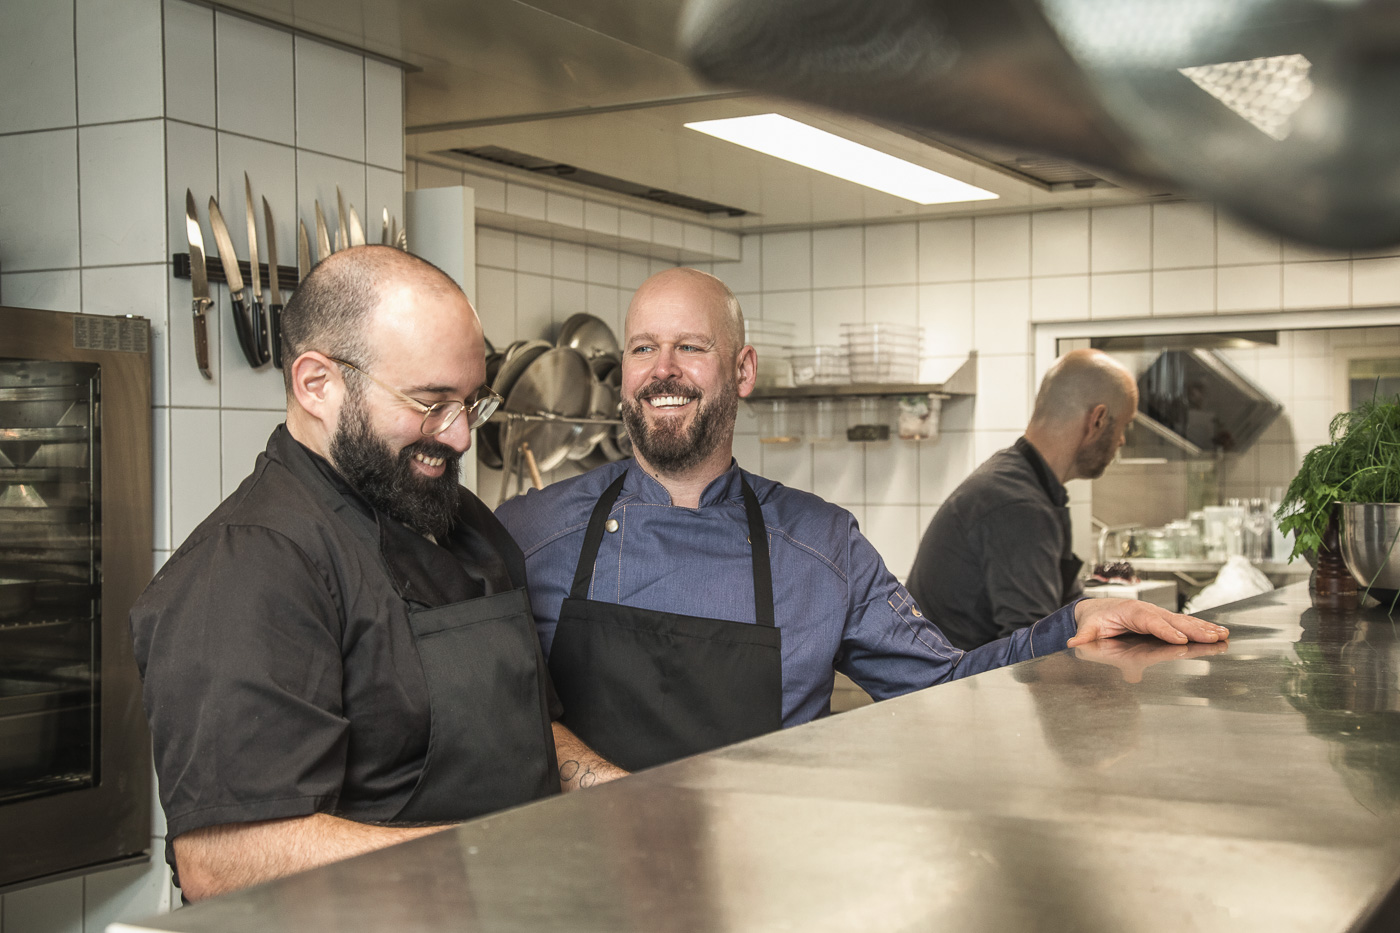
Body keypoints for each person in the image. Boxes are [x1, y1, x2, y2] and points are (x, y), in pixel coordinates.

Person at [495, 268, 1226, 774]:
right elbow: (483, 718)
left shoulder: (821, 545)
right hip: (579, 885)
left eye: (691, 347)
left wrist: (1072, 625)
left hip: (762, 886)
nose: (663, 369)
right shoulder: (528, 534)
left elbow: (945, 681)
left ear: (742, 371)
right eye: (643, 347)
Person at [129, 246, 615, 902]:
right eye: (429, 401)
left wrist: (622, 798)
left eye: (470, 403)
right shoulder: (250, 566)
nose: (460, 437)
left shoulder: (461, 520)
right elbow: (227, 859)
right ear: (316, 383)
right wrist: (503, 857)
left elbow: (520, 728)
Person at [906, 349, 1139, 651]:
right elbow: (1036, 653)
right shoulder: (1017, 507)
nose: (1121, 440)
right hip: (955, 693)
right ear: (1098, 419)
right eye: (1123, 426)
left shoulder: (1025, 484)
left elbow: (1067, 614)